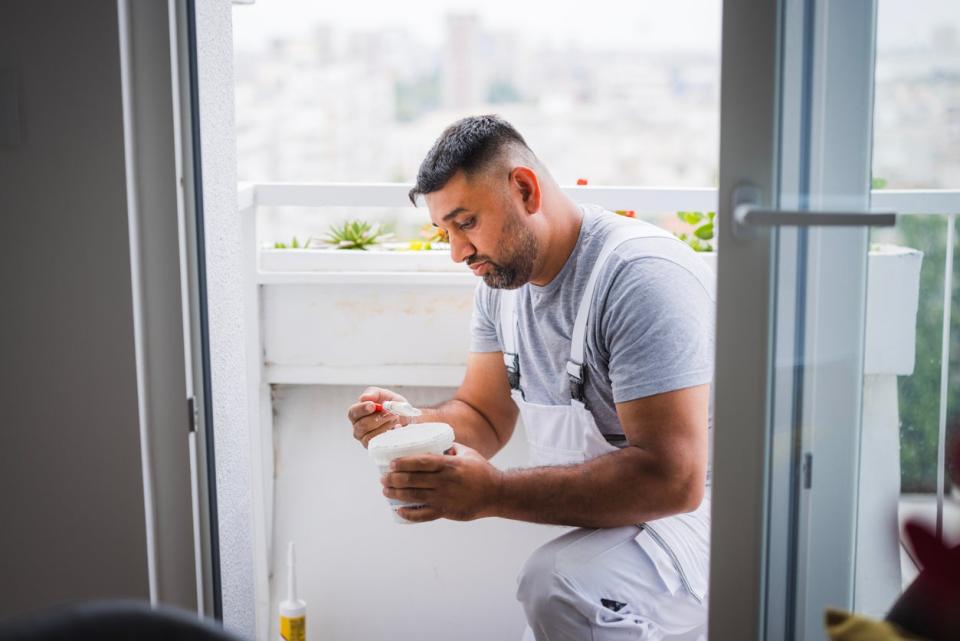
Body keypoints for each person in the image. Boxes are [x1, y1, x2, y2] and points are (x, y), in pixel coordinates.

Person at [346, 115, 715, 641]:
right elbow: (482, 417)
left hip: (706, 521)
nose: (458, 253)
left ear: (524, 188)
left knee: (555, 583)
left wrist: (493, 492)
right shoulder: (500, 286)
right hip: (629, 528)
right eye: (445, 231)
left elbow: (673, 478)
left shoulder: (640, 277)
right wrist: (411, 425)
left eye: (466, 222)